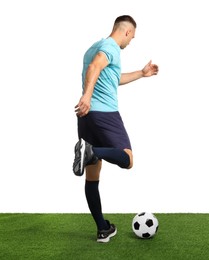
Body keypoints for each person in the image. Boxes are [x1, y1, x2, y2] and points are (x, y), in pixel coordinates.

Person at [72, 15, 159, 243]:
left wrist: (141, 73)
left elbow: (110, 77)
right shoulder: (111, 47)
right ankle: (92, 151)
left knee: (92, 173)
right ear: (127, 32)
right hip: (104, 114)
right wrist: (88, 95)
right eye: (132, 38)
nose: (130, 42)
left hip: (86, 117)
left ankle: (103, 229)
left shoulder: (95, 46)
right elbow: (95, 66)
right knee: (127, 159)